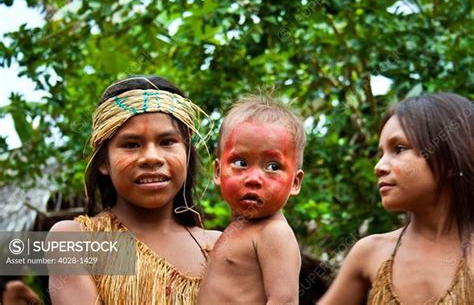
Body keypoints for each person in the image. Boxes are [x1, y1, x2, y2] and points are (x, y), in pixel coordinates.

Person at [48, 76, 221, 304]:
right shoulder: (75, 240)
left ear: (187, 154)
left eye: (167, 141)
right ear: (103, 162)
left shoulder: (219, 248)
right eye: (131, 145)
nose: (152, 157)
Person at [320, 93, 474, 304]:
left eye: (399, 149)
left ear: (449, 160)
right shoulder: (370, 253)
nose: (378, 167)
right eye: (380, 153)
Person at [197, 95, 305, 304]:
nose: (254, 179)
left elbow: (284, 301)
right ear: (218, 171)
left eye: (273, 166)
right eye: (240, 162)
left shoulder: (274, 233)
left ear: (295, 182)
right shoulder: (237, 230)